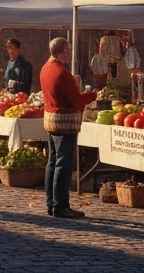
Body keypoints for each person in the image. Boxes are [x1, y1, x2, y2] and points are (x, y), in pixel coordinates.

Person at [41, 37, 95, 219]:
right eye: (69, 50)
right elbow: (76, 100)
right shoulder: (61, 72)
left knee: (53, 161)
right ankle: (60, 205)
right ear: (62, 51)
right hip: (64, 121)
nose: (71, 53)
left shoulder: (46, 68)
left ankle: (51, 202)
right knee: (63, 164)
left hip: (51, 120)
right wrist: (93, 95)